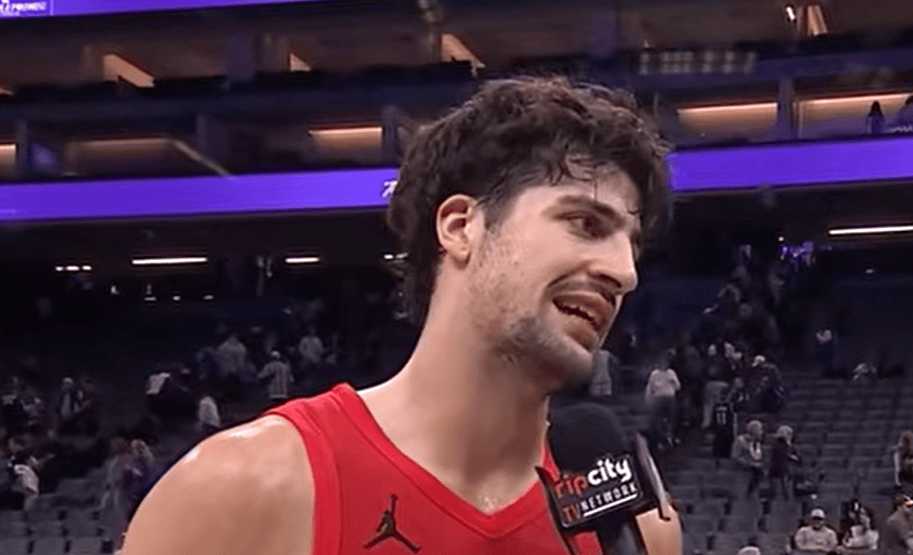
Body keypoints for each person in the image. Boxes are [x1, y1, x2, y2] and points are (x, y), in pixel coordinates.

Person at [121, 77, 676, 555]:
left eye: (632, 245)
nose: (624, 272)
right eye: (585, 224)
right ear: (461, 227)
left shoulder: (637, 531)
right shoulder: (239, 491)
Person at [732, 420, 765, 499]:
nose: (762, 432)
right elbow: (735, 456)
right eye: (760, 429)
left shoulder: (757, 442)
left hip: (755, 473)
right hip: (743, 473)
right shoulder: (741, 440)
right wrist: (749, 463)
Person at [768, 425, 799, 500]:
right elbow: (781, 458)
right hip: (780, 472)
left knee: (788, 495)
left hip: (785, 472)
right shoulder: (779, 446)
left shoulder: (790, 447)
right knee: (780, 495)